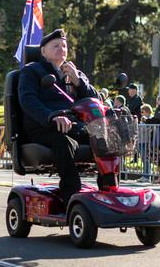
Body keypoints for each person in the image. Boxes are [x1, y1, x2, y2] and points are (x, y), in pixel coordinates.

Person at [18, 29, 99, 206]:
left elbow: (96, 101)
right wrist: (51, 116)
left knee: (104, 139)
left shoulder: (74, 73)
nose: (61, 48)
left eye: (64, 45)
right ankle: (71, 196)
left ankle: (109, 191)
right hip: (44, 127)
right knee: (64, 141)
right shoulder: (32, 71)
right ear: (43, 51)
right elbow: (28, 100)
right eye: (55, 46)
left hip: (76, 126)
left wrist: (78, 81)